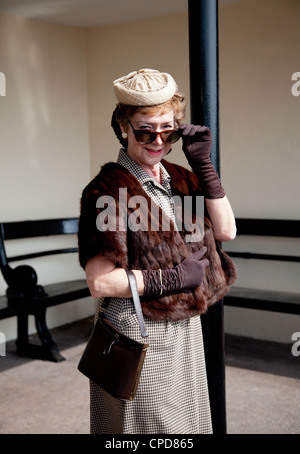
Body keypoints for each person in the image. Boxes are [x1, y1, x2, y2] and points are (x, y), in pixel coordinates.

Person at [78, 68, 237, 434]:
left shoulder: (181, 179)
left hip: (186, 328)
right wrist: (173, 278)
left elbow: (225, 231)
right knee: (151, 430)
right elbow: (101, 282)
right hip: (139, 331)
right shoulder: (108, 191)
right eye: (145, 129)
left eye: (167, 130)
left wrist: (205, 169)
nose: (157, 140)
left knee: (188, 425)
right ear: (123, 126)